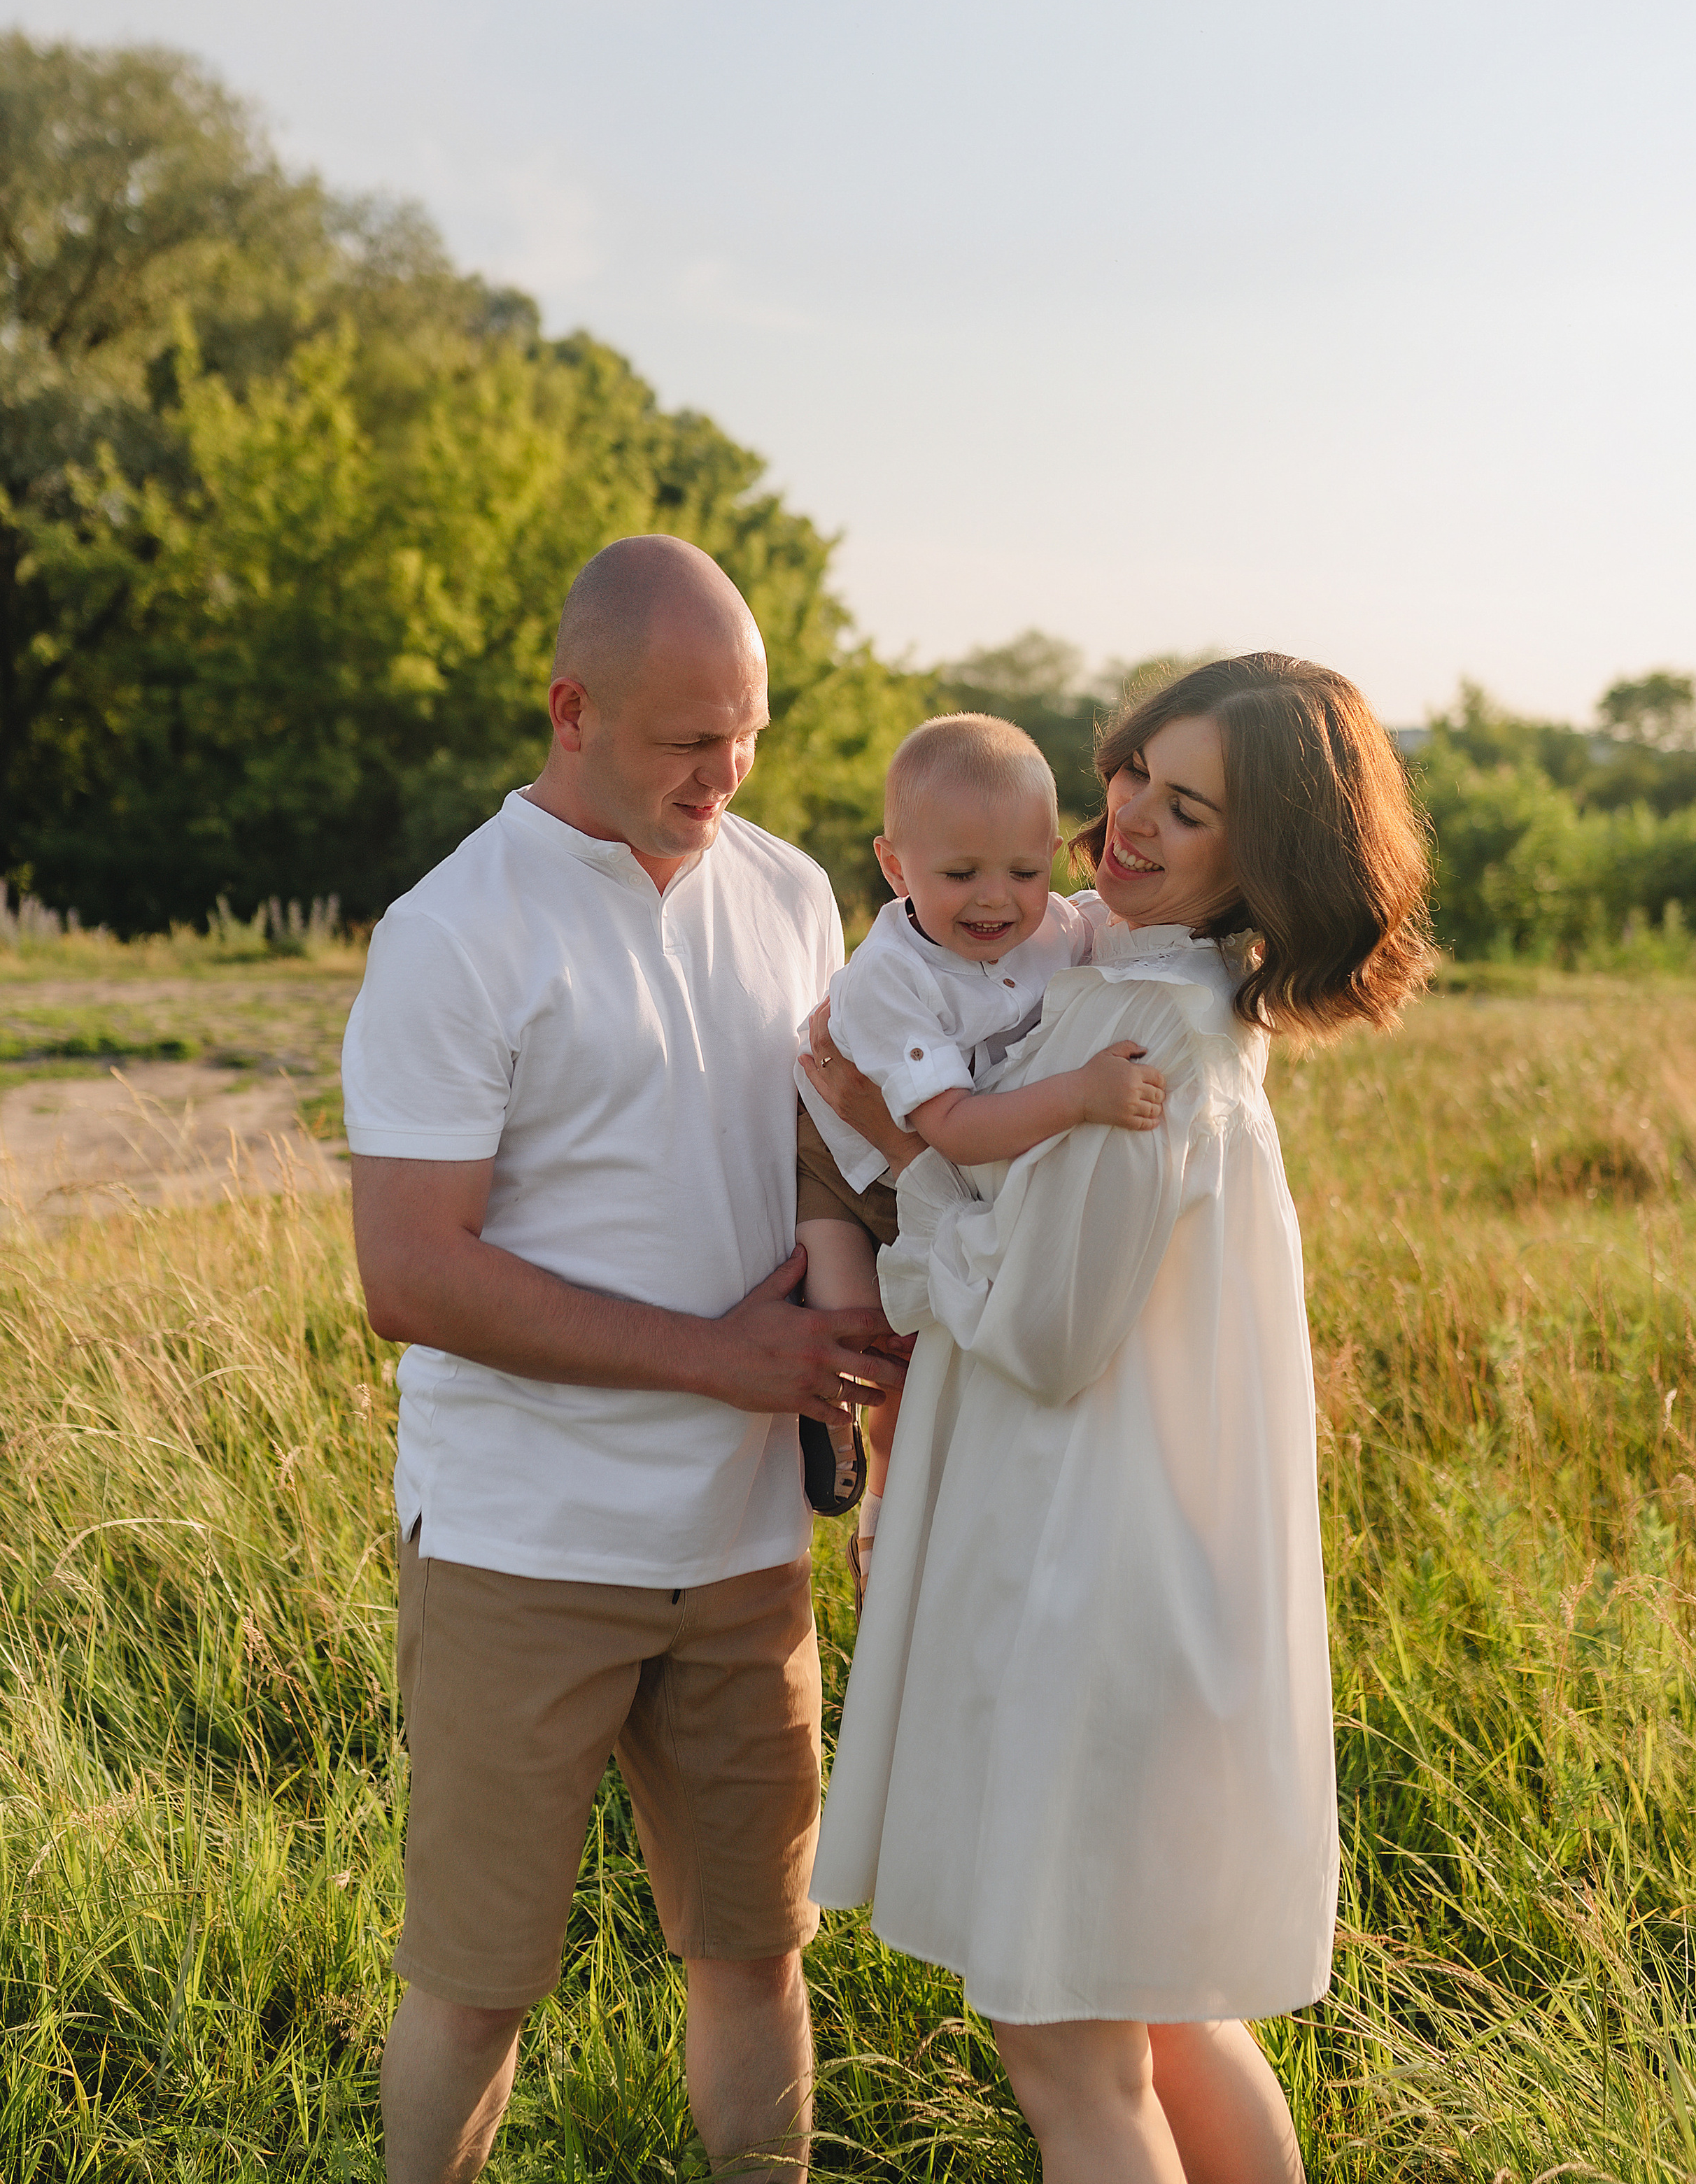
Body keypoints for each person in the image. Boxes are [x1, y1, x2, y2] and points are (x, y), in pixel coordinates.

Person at [808, 653, 1433, 2184]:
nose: (1128, 821)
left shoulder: (1135, 1026)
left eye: (1188, 805)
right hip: (1147, 1571)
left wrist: (901, 1147)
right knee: (1160, 2015)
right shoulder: (1189, 997)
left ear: (1260, 856)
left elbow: (1041, 1324)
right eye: (1136, 772)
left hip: (1078, 1599)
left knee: (1068, 2049)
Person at [342, 535, 907, 2184]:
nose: (723, 774)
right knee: (477, 1984)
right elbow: (409, 1272)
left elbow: (839, 1173)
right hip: (524, 1544)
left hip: (744, 1548)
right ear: (570, 709)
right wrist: (721, 1359)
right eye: (685, 740)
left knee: (755, 1952)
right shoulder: (454, 929)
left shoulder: (794, 894)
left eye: (746, 732)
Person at [794, 711, 1167, 1599]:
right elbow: (951, 1129)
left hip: (918, 1164)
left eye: (1024, 872)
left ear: (1051, 855)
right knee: (863, 1343)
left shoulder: (1054, 928)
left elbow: (1121, 936)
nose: (995, 900)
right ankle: (840, 1446)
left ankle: (888, 1513)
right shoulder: (892, 976)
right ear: (895, 866)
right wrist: (1079, 1093)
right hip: (839, 1166)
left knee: (919, 1363)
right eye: (958, 875)